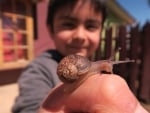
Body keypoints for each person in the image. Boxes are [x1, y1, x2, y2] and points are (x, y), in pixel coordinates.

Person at [12, 0, 148, 113]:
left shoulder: (91, 64)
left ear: (101, 31)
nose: (80, 36)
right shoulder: (39, 70)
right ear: (50, 29)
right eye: (68, 24)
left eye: (91, 26)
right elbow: (29, 105)